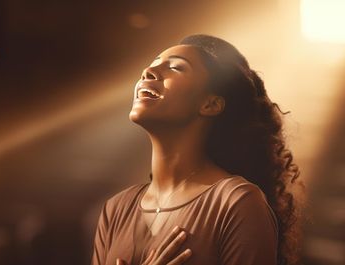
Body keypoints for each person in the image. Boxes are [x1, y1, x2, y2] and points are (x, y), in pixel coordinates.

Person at [91, 34, 302, 265]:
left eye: (176, 67)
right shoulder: (116, 209)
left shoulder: (237, 203)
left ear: (210, 104)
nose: (148, 72)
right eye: (152, 64)